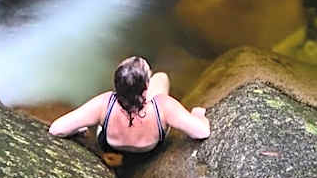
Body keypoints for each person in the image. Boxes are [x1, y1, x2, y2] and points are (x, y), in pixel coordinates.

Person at [48, 56, 210, 153]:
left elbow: (56, 129)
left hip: (111, 147)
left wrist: (77, 129)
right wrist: (197, 115)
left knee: (99, 118)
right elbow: (202, 132)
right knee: (161, 78)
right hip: (149, 150)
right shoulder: (163, 106)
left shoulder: (104, 103)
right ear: (146, 89)